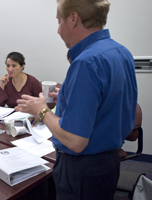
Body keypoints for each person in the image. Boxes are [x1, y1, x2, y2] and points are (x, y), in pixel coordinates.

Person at [16, 0, 138, 199]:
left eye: (59, 21)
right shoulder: (121, 51)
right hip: (109, 162)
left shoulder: (86, 62)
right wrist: (69, 94)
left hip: (82, 170)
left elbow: (75, 141)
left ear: (73, 18)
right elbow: (108, 98)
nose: (57, 30)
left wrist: (42, 111)